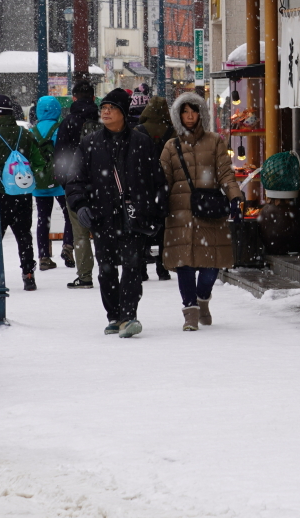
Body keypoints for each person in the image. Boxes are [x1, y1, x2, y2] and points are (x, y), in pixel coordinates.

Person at [66, 86, 166, 336]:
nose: (106, 112)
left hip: (134, 216)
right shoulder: (90, 144)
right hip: (103, 216)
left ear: (123, 112)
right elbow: (74, 180)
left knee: (132, 266)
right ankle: (114, 316)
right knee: (107, 268)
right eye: (104, 108)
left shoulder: (142, 142)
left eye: (111, 108)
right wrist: (81, 205)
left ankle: (128, 315)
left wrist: (157, 210)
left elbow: (157, 180)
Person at [158, 91, 241, 330]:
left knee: (210, 266)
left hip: (210, 210)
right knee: (183, 264)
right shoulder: (170, 146)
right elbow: (163, 179)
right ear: (178, 115)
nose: (189, 115)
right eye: (184, 111)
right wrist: (156, 202)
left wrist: (234, 196)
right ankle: (190, 313)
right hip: (180, 212)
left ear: (201, 113)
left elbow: (225, 172)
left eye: (193, 110)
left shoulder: (215, 141)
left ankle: (203, 298)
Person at [0, 95, 52, 291]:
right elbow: (39, 162)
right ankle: (28, 273)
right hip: (22, 193)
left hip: (0, 193)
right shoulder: (26, 134)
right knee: (24, 235)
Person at [53, 83, 99, 288]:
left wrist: (66, 181)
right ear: (93, 97)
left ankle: (85, 276)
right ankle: (109, 271)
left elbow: (60, 154)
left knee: (80, 233)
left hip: (76, 184)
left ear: (74, 98)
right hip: (101, 183)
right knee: (103, 230)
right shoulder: (102, 120)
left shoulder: (68, 122)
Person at [138, 90, 178, 280]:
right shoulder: (172, 131)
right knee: (163, 225)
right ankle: (162, 268)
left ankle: (142, 268)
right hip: (165, 182)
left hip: (143, 183)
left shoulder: (138, 131)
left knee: (143, 225)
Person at [30, 95, 71, 270]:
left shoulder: (32, 131)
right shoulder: (61, 128)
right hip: (59, 179)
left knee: (42, 218)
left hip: (39, 180)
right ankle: (68, 246)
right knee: (69, 213)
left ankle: (44, 257)